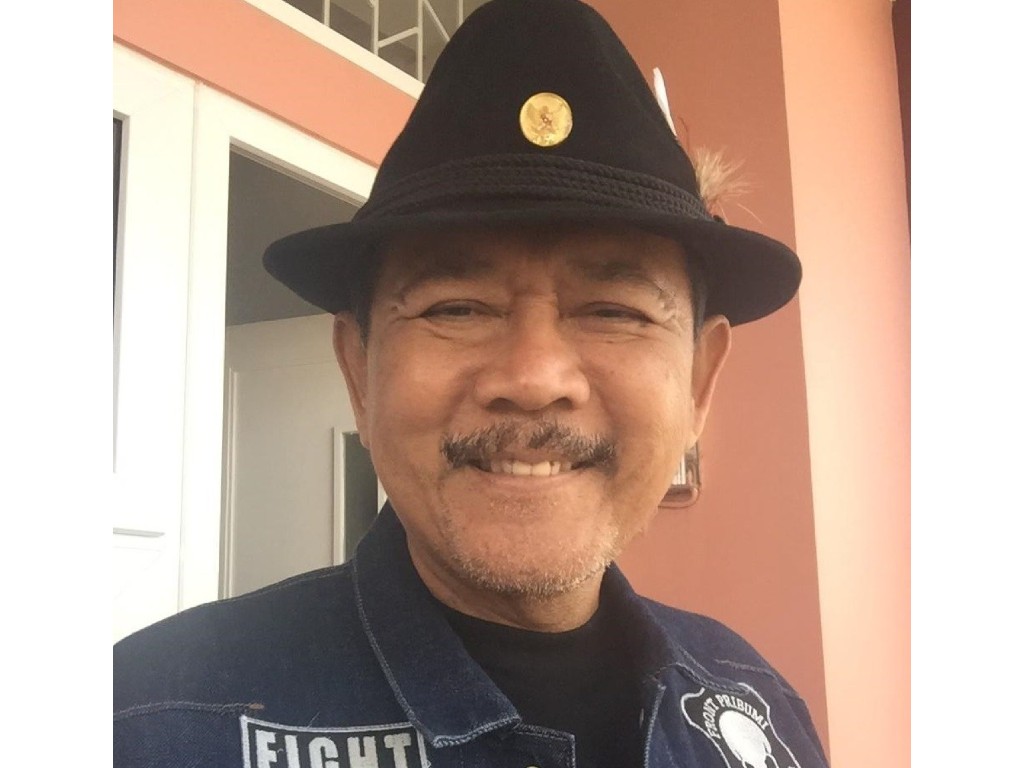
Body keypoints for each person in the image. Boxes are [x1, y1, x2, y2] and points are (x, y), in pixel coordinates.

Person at [114, 0, 828, 766]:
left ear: (698, 382)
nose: (534, 378)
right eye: (455, 307)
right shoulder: (146, 723)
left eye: (614, 311)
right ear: (359, 370)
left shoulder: (759, 712)